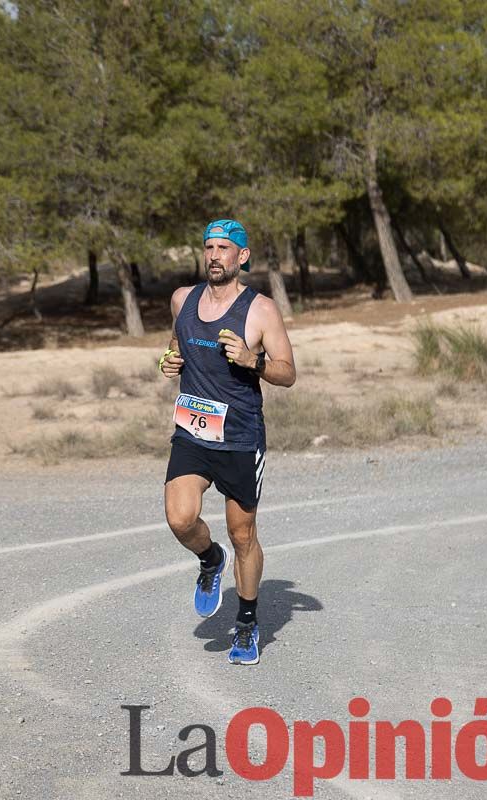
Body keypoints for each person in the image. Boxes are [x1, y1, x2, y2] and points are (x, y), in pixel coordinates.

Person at [159, 219, 296, 665]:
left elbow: (287, 372)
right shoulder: (183, 299)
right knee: (181, 519)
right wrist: (168, 359)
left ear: (243, 256)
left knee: (244, 534)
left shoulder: (261, 311)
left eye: (223, 248)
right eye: (208, 247)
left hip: (238, 436)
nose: (214, 255)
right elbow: (175, 345)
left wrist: (252, 359)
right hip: (193, 432)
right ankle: (209, 559)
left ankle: (247, 623)